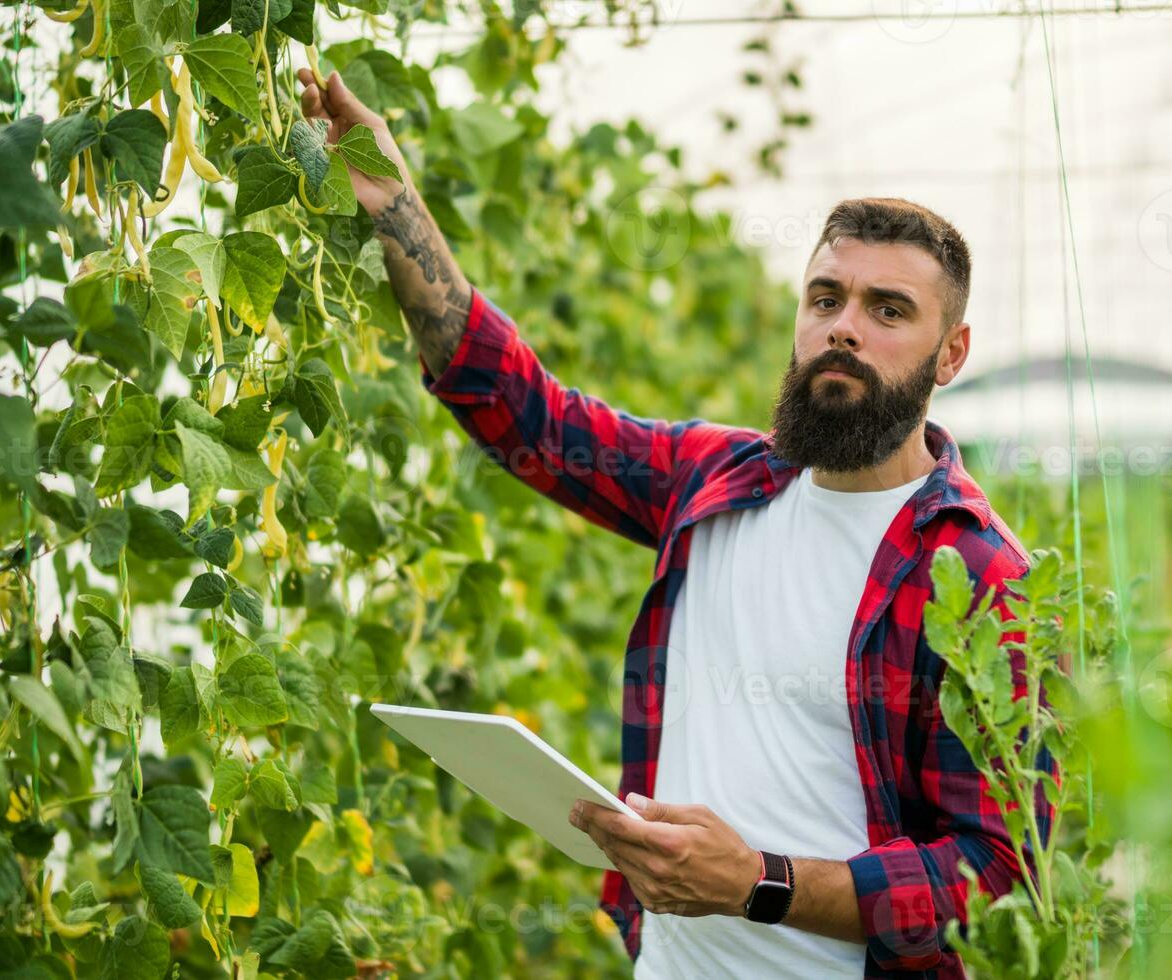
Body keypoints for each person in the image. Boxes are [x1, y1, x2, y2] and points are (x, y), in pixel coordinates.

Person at [298, 68, 1052, 980]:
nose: (844, 329)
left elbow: (996, 874)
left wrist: (760, 884)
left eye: (888, 311)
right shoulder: (718, 482)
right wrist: (391, 196)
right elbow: (528, 417)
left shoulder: (978, 580)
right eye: (826, 299)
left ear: (951, 354)